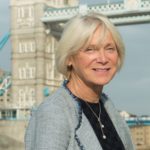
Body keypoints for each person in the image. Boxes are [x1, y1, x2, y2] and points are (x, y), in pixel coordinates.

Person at [25, 12, 135, 150]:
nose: (103, 58)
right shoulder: (54, 113)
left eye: (110, 49)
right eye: (90, 49)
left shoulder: (107, 109)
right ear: (69, 58)